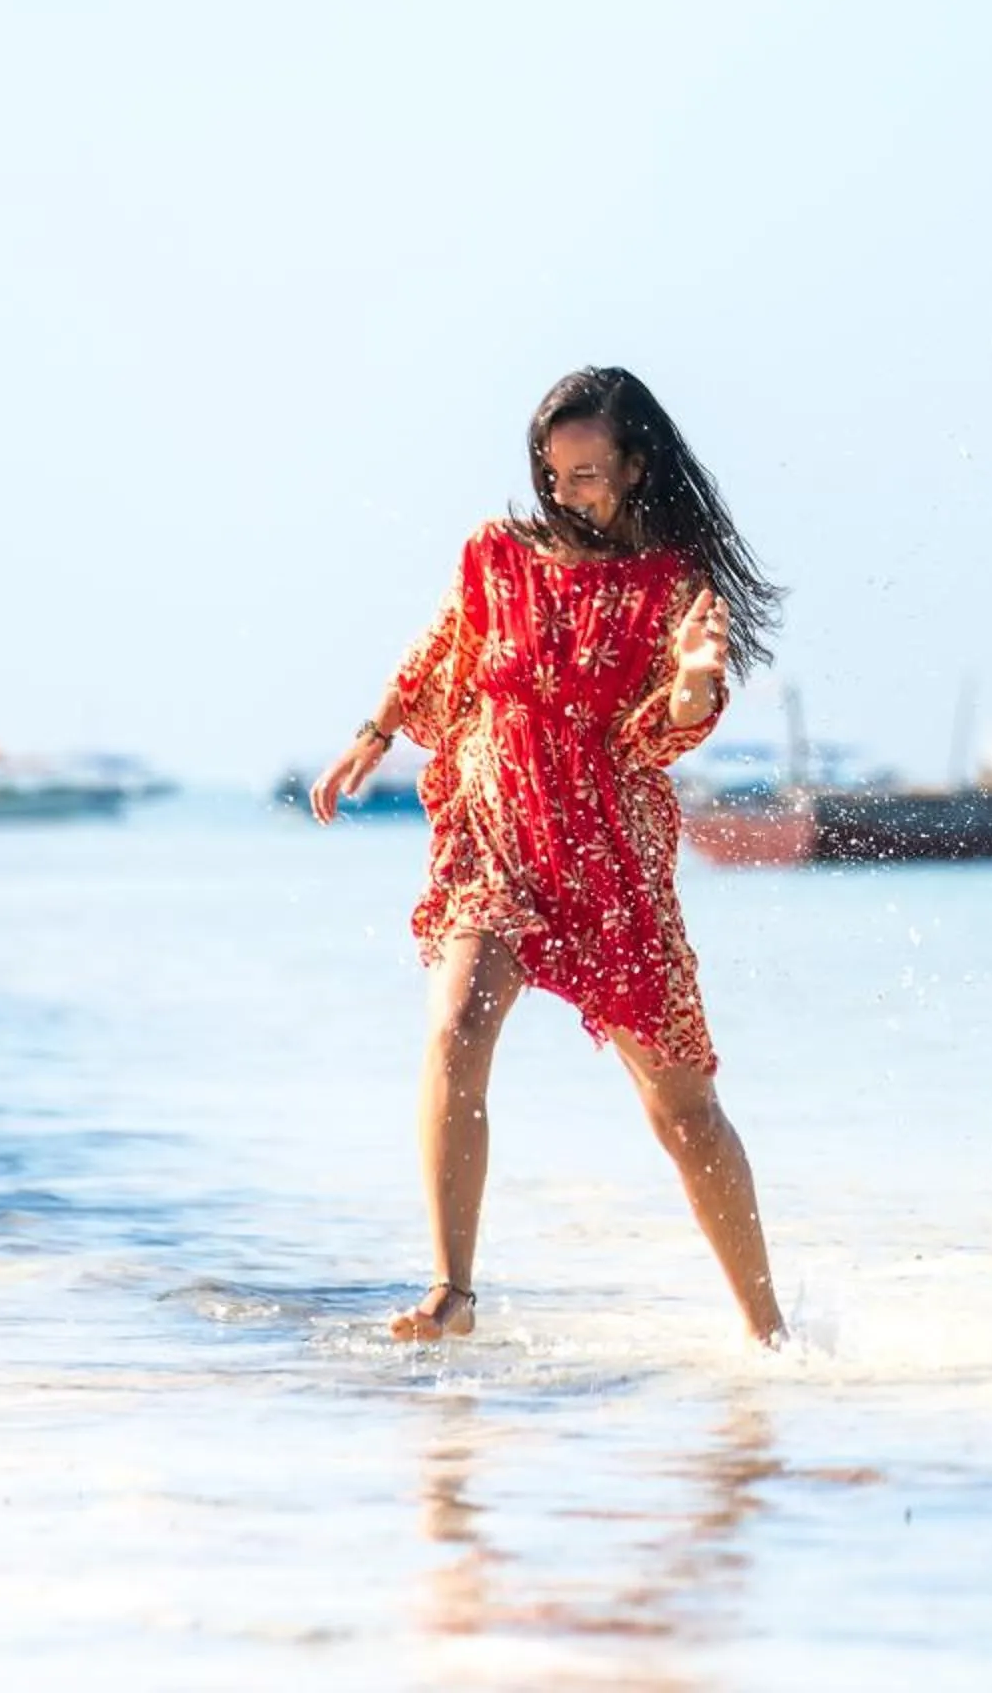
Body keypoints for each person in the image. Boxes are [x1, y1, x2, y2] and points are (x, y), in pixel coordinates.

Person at [308, 368, 791, 1346]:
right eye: (552, 471)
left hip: (607, 859)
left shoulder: (674, 585)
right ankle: (453, 1291)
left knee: (685, 1115)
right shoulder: (494, 557)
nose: (565, 491)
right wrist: (374, 728)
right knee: (456, 1025)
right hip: (493, 836)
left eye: (586, 473)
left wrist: (697, 685)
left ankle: (769, 1336)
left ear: (636, 464)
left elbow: (663, 729)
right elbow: (440, 650)